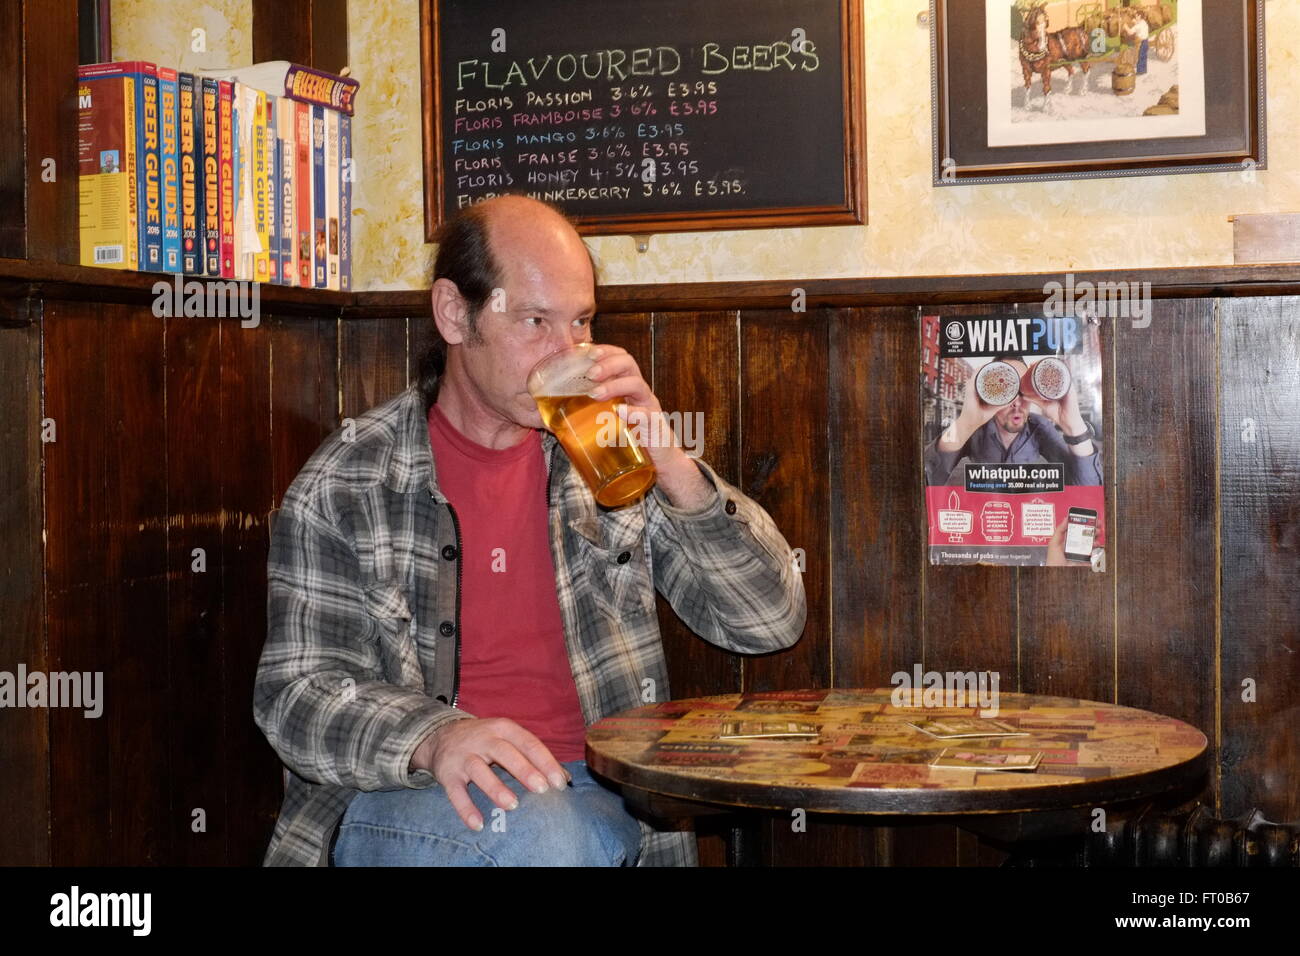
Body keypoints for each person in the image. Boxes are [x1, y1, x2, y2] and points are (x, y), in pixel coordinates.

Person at [253, 194, 807, 867]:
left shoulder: (605, 457)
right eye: (536, 320)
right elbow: (296, 693)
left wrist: (675, 467)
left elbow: (769, 621)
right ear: (455, 313)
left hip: (599, 791)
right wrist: (434, 737)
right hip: (414, 790)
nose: (567, 353)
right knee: (543, 838)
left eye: (581, 322)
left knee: (556, 835)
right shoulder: (351, 480)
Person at [924, 355, 1102, 487]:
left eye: (1022, 391)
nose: (1016, 402)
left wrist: (1074, 426)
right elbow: (924, 482)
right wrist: (966, 423)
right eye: (1005, 391)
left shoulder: (1039, 427)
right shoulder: (975, 429)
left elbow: (1088, 487)